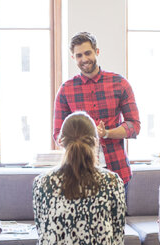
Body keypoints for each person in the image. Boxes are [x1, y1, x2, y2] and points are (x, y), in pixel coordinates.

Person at [33, 111, 126, 245]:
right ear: (96, 141)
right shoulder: (112, 181)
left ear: (60, 141)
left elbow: (41, 231)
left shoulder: (42, 182)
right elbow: (119, 239)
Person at [53, 31, 140, 188]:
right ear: (73, 58)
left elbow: (134, 126)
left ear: (97, 52)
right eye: (79, 55)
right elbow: (58, 135)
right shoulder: (66, 90)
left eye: (88, 53)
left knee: (117, 214)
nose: (84, 59)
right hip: (78, 173)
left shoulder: (120, 83)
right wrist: (82, 139)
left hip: (117, 172)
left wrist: (106, 133)